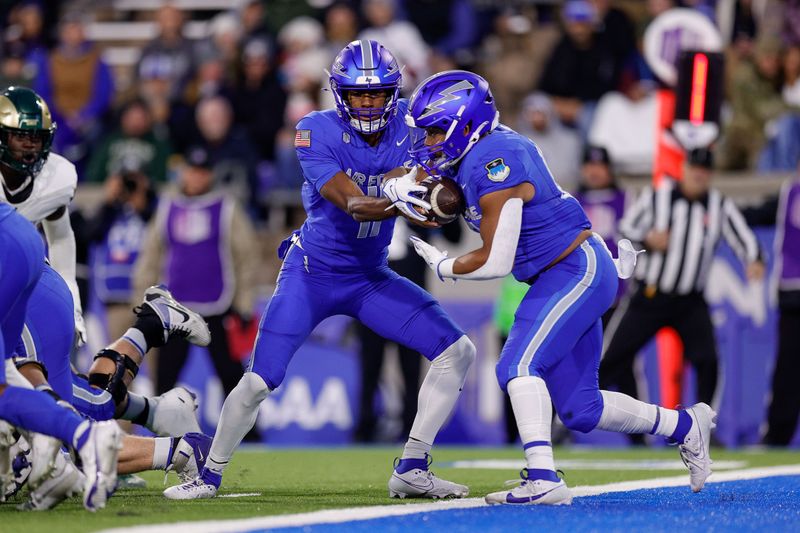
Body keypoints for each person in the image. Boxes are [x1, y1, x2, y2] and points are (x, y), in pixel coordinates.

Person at [165, 40, 475, 501]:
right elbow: (354, 204)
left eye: (377, 94)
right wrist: (407, 198)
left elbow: (449, 170)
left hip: (370, 277)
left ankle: (412, 467)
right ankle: (208, 475)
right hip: (312, 273)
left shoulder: (412, 127)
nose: (368, 104)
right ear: (339, 94)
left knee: (458, 351)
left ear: (393, 93)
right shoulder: (315, 129)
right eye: (358, 94)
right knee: (257, 382)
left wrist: (447, 195)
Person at [405, 70, 715, 505]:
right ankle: (685, 426)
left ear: (465, 124)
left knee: (517, 366)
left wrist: (444, 265)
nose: (430, 141)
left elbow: (496, 260)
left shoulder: (495, 158)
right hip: (567, 270)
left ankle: (543, 478)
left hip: (572, 269)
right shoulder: (483, 153)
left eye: (436, 131)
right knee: (581, 409)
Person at [601, 147, 764, 409]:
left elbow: (743, 236)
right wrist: (648, 239)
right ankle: (571, 414)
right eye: (695, 168)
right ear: (684, 169)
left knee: (707, 361)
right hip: (651, 295)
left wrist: (754, 258)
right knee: (613, 357)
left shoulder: (719, 205)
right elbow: (625, 229)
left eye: (704, 170)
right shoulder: (657, 197)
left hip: (690, 301)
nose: (699, 175)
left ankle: (704, 421)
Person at [0, 203, 121, 511]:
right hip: (28, 249)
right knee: (8, 374)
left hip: (16, 263)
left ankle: (80, 438)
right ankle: (71, 449)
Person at [133, 146, 257, 398]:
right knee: (164, 377)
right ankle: (160, 421)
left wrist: (244, 304)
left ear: (210, 175)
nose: (197, 177)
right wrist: (142, 300)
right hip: (175, 307)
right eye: (192, 171)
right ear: (183, 172)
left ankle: (246, 423)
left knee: (231, 376)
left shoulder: (226, 207)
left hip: (219, 305)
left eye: (203, 172)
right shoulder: (168, 206)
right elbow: (151, 255)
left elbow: (247, 255)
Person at [0, 85, 86, 345]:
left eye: (36, 137)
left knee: (54, 338)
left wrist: (71, 296)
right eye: (21, 136)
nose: (30, 145)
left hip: (21, 275)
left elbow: (60, 237)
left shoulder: (57, 178)